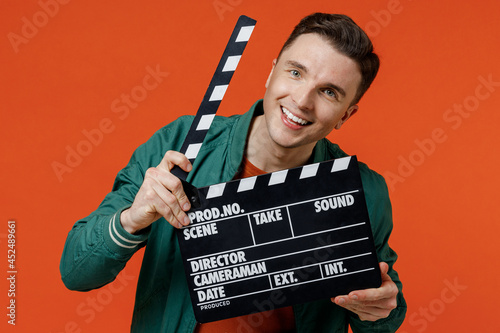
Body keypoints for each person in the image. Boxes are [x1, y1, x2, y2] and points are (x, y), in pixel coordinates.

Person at [60, 13, 406, 332]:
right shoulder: (180, 146)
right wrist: (132, 219)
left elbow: (383, 309)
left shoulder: (363, 190)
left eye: (329, 92)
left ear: (346, 115)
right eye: (295, 72)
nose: (302, 100)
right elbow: (76, 271)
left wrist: (378, 311)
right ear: (272, 72)